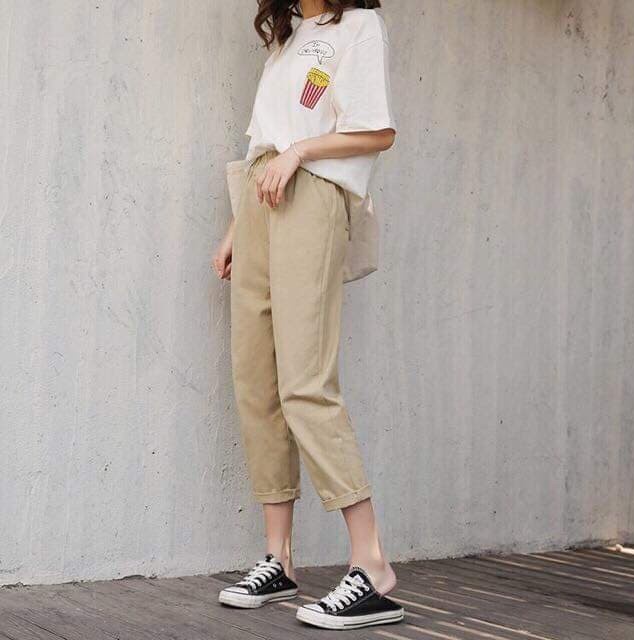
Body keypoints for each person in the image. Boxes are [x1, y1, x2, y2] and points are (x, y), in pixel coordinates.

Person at [212, 0, 401, 630]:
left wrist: (298, 153)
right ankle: (279, 559)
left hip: (312, 195)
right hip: (261, 202)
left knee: (305, 383)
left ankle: (372, 564)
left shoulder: (359, 27)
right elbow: (265, 139)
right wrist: (237, 227)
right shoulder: (287, 38)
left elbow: (376, 131)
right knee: (257, 382)